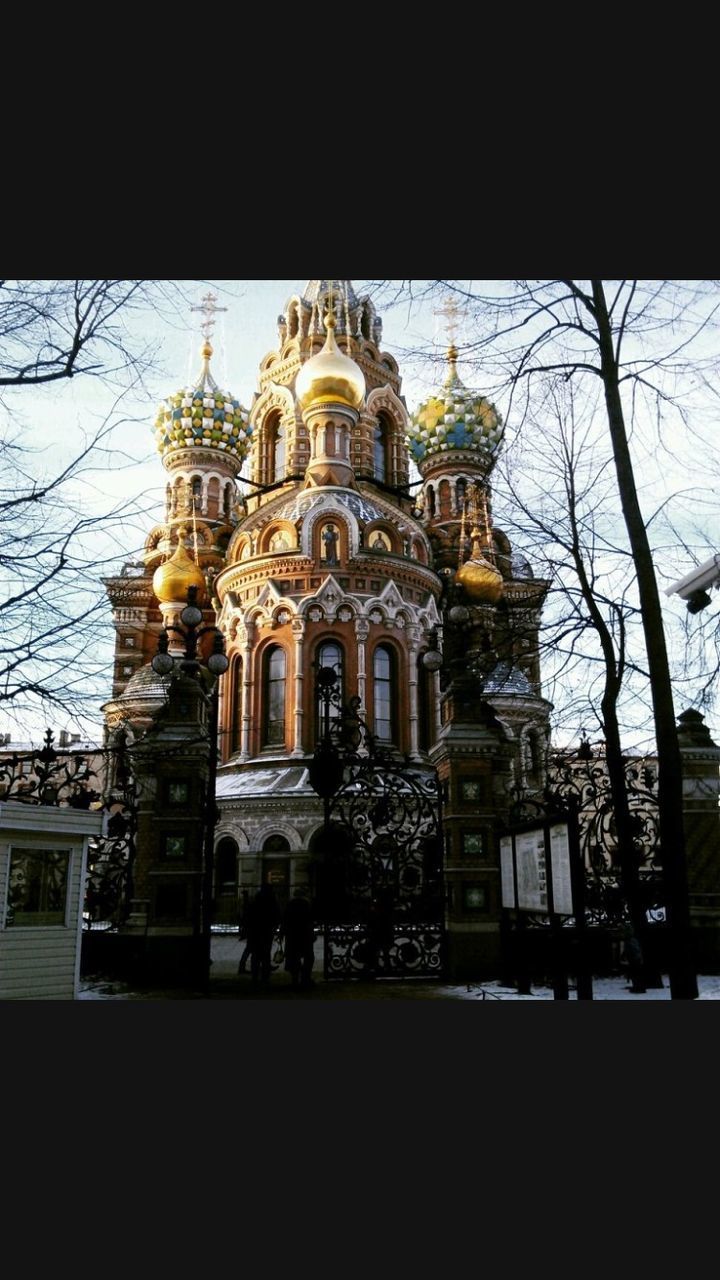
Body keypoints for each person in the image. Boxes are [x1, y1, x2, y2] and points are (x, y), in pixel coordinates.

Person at [245, 883, 281, 984]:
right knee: (266, 954)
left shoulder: (256, 900)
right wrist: (275, 926)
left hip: (255, 931)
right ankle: (265, 976)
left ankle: (255, 976)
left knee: (255, 954)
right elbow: (277, 915)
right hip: (267, 930)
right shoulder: (272, 901)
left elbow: (249, 915)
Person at [281, 888, 315, 989]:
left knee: (293, 957)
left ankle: (295, 979)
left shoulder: (290, 904)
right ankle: (305, 978)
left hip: (292, 935)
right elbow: (311, 919)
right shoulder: (307, 904)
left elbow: (285, 919)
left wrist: (282, 932)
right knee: (309, 957)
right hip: (305, 934)